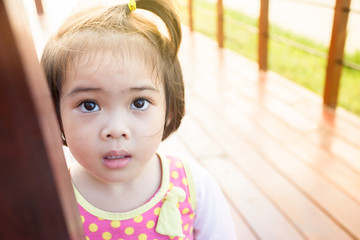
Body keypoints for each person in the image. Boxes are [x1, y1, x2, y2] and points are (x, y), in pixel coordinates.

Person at [41, 0, 236, 239]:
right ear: (55, 115)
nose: (116, 130)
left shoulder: (194, 187)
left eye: (139, 103)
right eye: (89, 105)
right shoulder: (52, 202)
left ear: (169, 110)